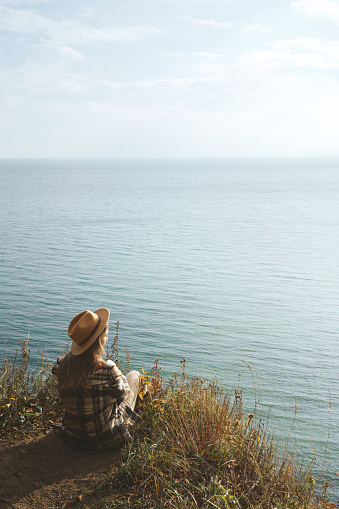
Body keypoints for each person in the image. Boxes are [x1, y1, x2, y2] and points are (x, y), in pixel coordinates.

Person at [52, 308, 141, 450]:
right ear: (99, 341)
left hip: (72, 435)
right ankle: (145, 397)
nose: (107, 339)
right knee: (134, 376)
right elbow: (123, 393)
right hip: (106, 438)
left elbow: (59, 367)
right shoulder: (108, 369)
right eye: (105, 336)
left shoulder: (62, 367)